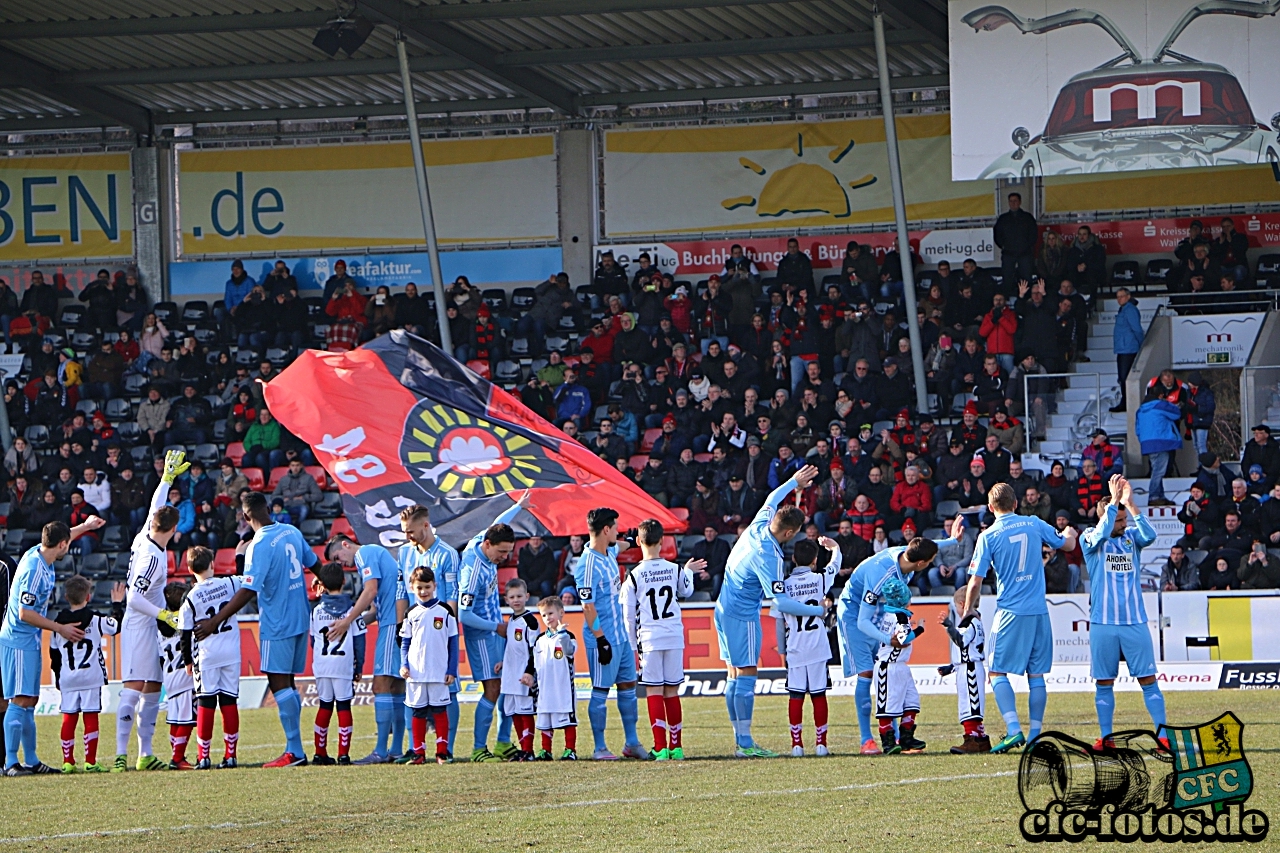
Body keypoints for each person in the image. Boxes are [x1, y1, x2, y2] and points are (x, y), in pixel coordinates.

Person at [192, 490, 320, 768]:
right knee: (289, 683)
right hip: (301, 617)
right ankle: (295, 749)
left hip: (278, 622)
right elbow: (315, 564)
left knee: (278, 683)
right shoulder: (291, 531)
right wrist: (324, 586)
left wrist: (215, 621)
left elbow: (248, 589)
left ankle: (294, 751)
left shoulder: (259, 545)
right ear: (267, 509)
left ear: (246, 516)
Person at [714, 464, 825, 758]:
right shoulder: (771, 556)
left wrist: (793, 482)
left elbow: (771, 500)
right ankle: (746, 744)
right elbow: (780, 602)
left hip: (722, 607)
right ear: (789, 531)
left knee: (733, 674)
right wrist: (816, 611)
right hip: (742, 614)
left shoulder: (759, 525)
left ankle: (740, 739)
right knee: (747, 674)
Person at [962, 483, 1078, 754]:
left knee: (996, 672)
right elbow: (1068, 544)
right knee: (1036, 675)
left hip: (1011, 612)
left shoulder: (988, 536)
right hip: (1039, 611)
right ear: (1016, 504)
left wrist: (968, 609)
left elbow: (975, 580)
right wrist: (1069, 533)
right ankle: (1036, 735)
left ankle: (1014, 729)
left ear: (991, 508)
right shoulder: (1034, 523)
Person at [837, 521, 955, 754]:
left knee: (887, 671)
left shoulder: (905, 554)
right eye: (929, 563)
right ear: (920, 564)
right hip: (854, 612)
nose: (929, 564)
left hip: (879, 610)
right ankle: (866, 740)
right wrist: (886, 638)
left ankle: (898, 737)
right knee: (867, 672)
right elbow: (862, 621)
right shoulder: (881, 576)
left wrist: (954, 540)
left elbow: (925, 545)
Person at [1, 518, 103, 776]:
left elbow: (63, 535)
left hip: (28, 639)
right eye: (67, 543)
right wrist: (59, 628)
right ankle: (11, 763)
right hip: (18, 639)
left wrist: (85, 526)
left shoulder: (39, 552)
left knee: (30, 700)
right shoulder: (35, 569)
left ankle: (32, 760)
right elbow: (25, 613)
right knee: (20, 699)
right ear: (62, 545)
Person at [112, 450, 188, 773]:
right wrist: (163, 615)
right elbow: (132, 598)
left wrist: (166, 479)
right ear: (172, 529)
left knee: (154, 687)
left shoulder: (146, 535)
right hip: (139, 625)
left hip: (150, 625)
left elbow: (156, 504)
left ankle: (145, 753)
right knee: (134, 685)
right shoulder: (152, 559)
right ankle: (119, 755)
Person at [1081, 476, 1165, 749]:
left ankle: (1162, 736)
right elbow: (1103, 530)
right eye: (1118, 520)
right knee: (1104, 682)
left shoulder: (1131, 538)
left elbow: (1151, 535)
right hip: (1103, 623)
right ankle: (1107, 738)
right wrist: (1114, 503)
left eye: (1123, 519)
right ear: (1106, 516)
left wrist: (1130, 504)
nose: (1123, 523)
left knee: (1148, 680)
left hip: (1133, 621)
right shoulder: (1090, 539)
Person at [454, 495, 527, 762]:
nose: (504, 558)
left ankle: (502, 744)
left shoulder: (482, 544)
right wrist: (495, 627)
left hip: (497, 631)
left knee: (507, 686)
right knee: (493, 689)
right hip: (483, 636)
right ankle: (477, 748)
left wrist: (518, 507)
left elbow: (497, 522)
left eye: (508, 552)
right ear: (488, 545)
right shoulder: (472, 571)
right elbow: (464, 614)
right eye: (501, 552)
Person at [620, 520, 700, 761]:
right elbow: (686, 591)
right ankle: (676, 747)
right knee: (672, 690)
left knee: (654, 690)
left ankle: (660, 747)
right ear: (663, 541)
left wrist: (632, 647)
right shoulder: (674, 569)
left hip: (650, 638)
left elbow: (628, 615)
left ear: (638, 542)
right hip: (674, 635)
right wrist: (688, 571)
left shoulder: (634, 575)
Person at [325, 534, 406, 764]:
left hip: (391, 624)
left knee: (380, 685)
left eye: (338, 557)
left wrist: (348, 620)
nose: (341, 564)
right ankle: (396, 749)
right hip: (391, 621)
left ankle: (381, 751)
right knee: (396, 687)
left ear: (345, 545)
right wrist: (354, 621)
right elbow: (374, 609)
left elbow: (370, 591)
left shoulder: (365, 554)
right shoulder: (373, 554)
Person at [575, 507, 645, 760]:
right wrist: (600, 638)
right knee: (601, 690)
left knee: (628, 686)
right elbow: (587, 606)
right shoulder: (587, 565)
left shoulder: (608, 552)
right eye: (615, 527)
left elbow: (621, 547)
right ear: (606, 530)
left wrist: (631, 537)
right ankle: (599, 747)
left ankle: (632, 742)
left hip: (621, 636)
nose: (617, 531)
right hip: (602, 638)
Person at [396, 505, 462, 756]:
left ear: (425, 525)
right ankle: (416, 749)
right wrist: (399, 626)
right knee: (412, 689)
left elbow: (453, 594)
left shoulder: (447, 554)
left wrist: (450, 630)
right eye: (404, 532)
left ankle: (447, 749)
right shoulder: (403, 553)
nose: (407, 536)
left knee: (448, 689)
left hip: (439, 630)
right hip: (413, 630)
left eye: (411, 531)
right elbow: (401, 591)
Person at [177, 546, 243, 770]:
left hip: (208, 655)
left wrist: (187, 660)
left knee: (205, 701)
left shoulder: (191, 597)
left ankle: (203, 756)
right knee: (228, 701)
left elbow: (184, 633)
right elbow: (247, 583)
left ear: (189, 569)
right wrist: (240, 557)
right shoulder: (229, 583)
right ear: (212, 564)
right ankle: (230, 755)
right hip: (231, 652)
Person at [50, 575, 124, 773]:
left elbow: (54, 655)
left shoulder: (58, 625)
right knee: (90, 716)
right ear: (88, 597)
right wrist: (117, 604)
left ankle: (68, 761)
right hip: (91, 676)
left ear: (66, 597)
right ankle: (90, 761)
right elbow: (116, 625)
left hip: (68, 677)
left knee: (69, 717)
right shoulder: (96, 619)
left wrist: (58, 677)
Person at [774, 536, 840, 758]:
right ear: (814, 560)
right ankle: (821, 745)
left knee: (796, 696)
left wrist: (782, 650)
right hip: (817, 646)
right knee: (819, 695)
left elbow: (777, 620)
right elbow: (835, 565)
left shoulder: (783, 586)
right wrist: (834, 548)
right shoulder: (820, 579)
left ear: (793, 559)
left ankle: (797, 745)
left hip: (795, 646)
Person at [398, 565, 458, 765]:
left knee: (440, 711)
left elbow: (453, 642)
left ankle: (442, 752)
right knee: (418, 712)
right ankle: (418, 753)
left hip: (439, 672)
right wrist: (404, 664)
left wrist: (451, 669)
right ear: (412, 588)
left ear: (435, 586)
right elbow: (405, 642)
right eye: (419, 588)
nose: (423, 592)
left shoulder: (445, 611)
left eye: (427, 587)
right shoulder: (410, 613)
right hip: (416, 672)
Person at [308, 561, 364, 766]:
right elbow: (359, 642)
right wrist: (359, 667)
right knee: (343, 706)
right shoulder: (352, 611)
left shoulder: (316, 611)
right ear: (344, 581)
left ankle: (319, 752)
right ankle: (343, 754)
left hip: (322, 666)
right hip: (343, 665)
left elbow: (313, 640)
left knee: (324, 706)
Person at [873, 577, 926, 755]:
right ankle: (888, 741)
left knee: (911, 701)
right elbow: (903, 640)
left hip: (901, 666)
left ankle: (906, 737)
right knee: (887, 706)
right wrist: (919, 629)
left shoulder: (890, 614)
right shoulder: (899, 616)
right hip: (888, 666)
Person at [938, 587, 989, 754]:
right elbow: (966, 651)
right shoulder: (976, 621)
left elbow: (962, 642)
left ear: (962, 604)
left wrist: (949, 626)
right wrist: (951, 667)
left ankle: (973, 739)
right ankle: (980, 739)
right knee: (968, 702)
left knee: (970, 703)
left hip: (970, 669)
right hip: (966, 666)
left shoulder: (970, 622)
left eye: (956, 607)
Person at [531, 595, 578, 760]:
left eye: (551, 613)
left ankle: (570, 749)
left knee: (567, 718)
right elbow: (536, 663)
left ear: (561, 612)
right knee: (545, 718)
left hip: (562, 686)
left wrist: (562, 634)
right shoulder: (540, 640)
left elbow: (570, 651)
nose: (547, 618)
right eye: (544, 615)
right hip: (545, 687)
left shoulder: (568, 636)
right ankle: (546, 750)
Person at [497, 579, 540, 762]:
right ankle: (523, 749)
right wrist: (503, 662)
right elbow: (512, 646)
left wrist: (529, 672)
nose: (516, 600)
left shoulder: (530, 621)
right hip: (510, 675)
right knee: (514, 712)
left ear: (527, 597)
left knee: (525, 712)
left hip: (523, 676)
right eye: (512, 597)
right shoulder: (510, 620)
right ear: (506, 599)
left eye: (519, 596)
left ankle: (529, 750)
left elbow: (534, 650)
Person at [158, 582, 196, 770]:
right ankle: (177, 758)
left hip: (169, 677)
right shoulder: (188, 622)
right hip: (185, 676)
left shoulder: (160, 627)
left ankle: (177, 754)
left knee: (175, 719)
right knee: (188, 720)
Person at [1135, 388, 1183, 507]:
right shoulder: (1160, 405)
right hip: (1161, 441)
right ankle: (1154, 496)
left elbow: (1138, 429)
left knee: (1156, 469)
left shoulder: (1140, 410)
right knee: (1159, 471)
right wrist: (1173, 405)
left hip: (1148, 443)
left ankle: (1160, 496)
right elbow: (1176, 414)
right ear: (1160, 395)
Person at [1110, 289, 1143, 412]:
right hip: (1123, 348)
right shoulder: (1124, 309)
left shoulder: (1130, 310)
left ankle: (1126, 403)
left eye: (1122, 296)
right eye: (1117, 297)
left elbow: (1137, 329)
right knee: (1122, 377)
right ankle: (1125, 402)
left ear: (1128, 296)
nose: (1119, 299)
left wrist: (1141, 344)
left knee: (1124, 377)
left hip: (1129, 348)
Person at [994, 193, 1036, 284]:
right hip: (1008, 253)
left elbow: (1034, 234)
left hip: (1025, 253)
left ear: (1020, 202)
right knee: (1007, 277)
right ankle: (1007, 297)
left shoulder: (1027, 217)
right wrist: (1004, 246)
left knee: (1026, 278)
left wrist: (1027, 246)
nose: (1013, 203)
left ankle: (1027, 297)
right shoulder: (1003, 219)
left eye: (1015, 201)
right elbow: (997, 235)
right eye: (1011, 201)